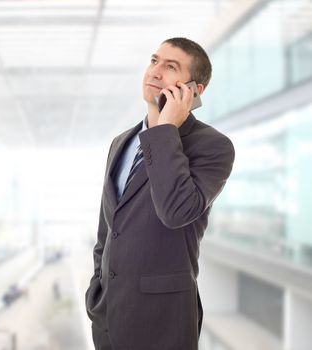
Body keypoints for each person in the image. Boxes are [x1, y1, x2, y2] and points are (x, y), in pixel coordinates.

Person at [84, 37, 235, 350]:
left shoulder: (214, 147)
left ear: (195, 91)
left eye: (171, 67)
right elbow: (109, 228)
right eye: (154, 61)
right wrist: (96, 290)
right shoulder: (121, 142)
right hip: (107, 318)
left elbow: (176, 210)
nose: (155, 71)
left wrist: (165, 131)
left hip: (162, 324)